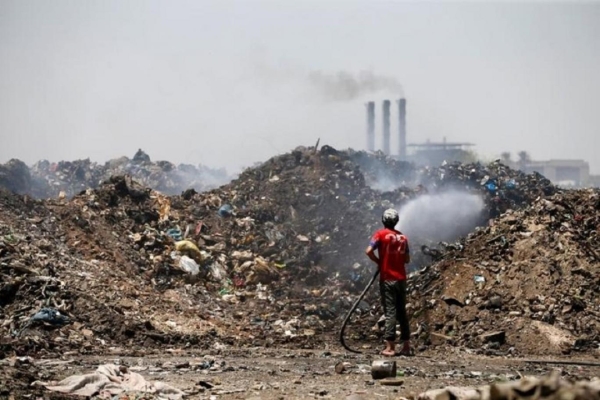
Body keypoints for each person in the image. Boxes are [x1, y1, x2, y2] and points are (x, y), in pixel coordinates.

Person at [365, 208, 412, 357]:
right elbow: (407, 259)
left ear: (383, 220)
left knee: (390, 312)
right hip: (401, 279)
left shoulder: (380, 235)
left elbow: (368, 251)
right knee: (402, 312)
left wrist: (380, 261)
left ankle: (390, 347)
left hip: (388, 279)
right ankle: (406, 346)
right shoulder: (403, 238)